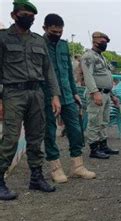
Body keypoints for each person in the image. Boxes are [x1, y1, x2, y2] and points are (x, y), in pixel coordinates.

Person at [0, 0, 62, 200]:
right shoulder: (2, 39)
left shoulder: (38, 40)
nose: (29, 18)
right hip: (13, 93)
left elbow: (48, 70)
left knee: (37, 136)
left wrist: (54, 95)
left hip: (36, 93)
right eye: (24, 14)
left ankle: (36, 177)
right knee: (10, 137)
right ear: (14, 15)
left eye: (32, 16)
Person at [41, 14, 96, 183]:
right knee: (50, 132)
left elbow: (69, 74)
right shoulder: (39, 44)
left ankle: (77, 166)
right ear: (45, 28)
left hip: (67, 95)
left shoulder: (64, 46)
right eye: (53, 31)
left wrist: (75, 92)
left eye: (60, 31)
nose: (57, 34)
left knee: (76, 130)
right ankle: (55, 168)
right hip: (47, 96)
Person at [80, 31, 120, 159]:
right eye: (103, 42)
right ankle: (94, 149)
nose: (105, 44)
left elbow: (107, 77)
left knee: (104, 121)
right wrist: (95, 92)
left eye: (106, 42)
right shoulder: (88, 56)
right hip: (97, 93)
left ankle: (103, 146)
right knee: (94, 121)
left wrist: (113, 96)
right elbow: (88, 75)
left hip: (106, 94)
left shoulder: (102, 57)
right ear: (94, 40)